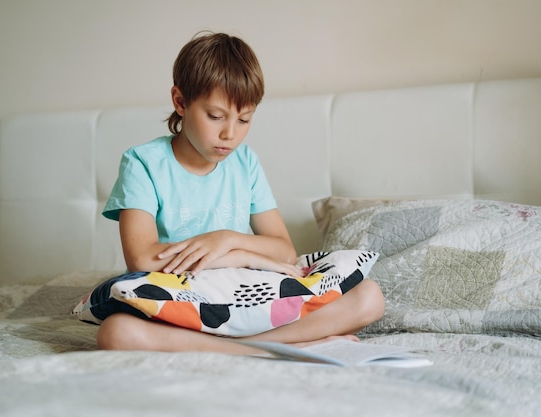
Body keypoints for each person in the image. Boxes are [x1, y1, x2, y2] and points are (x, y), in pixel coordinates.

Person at [97, 32, 384, 354]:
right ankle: (267, 349)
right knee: (116, 332)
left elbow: (284, 251)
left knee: (369, 297)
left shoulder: (245, 162)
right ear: (180, 102)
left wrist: (228, 238)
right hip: (178, 303)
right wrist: (244, 256)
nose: (230, 134)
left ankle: (242, 344)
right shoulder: (143, 162)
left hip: (243, 296)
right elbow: (143, 259)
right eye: (215, 116)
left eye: (245, 119)